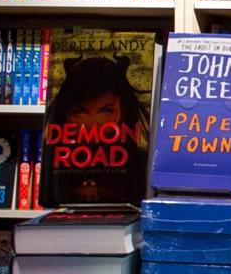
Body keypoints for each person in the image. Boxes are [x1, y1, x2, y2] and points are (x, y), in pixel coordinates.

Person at [42, 53, 151, 204]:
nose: (93, 123)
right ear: (64, 113)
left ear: (123, 111)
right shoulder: (52, 163)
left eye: (106, 111)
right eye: (80, 112)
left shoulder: (140, 163)